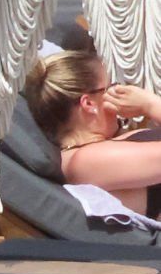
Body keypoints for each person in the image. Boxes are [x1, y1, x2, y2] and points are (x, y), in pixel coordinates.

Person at [24, 45, 161, 218]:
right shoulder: (85, 161)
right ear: (89, 104)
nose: (118, 91)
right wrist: (149, 105)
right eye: (110, 87)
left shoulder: (100, 146)